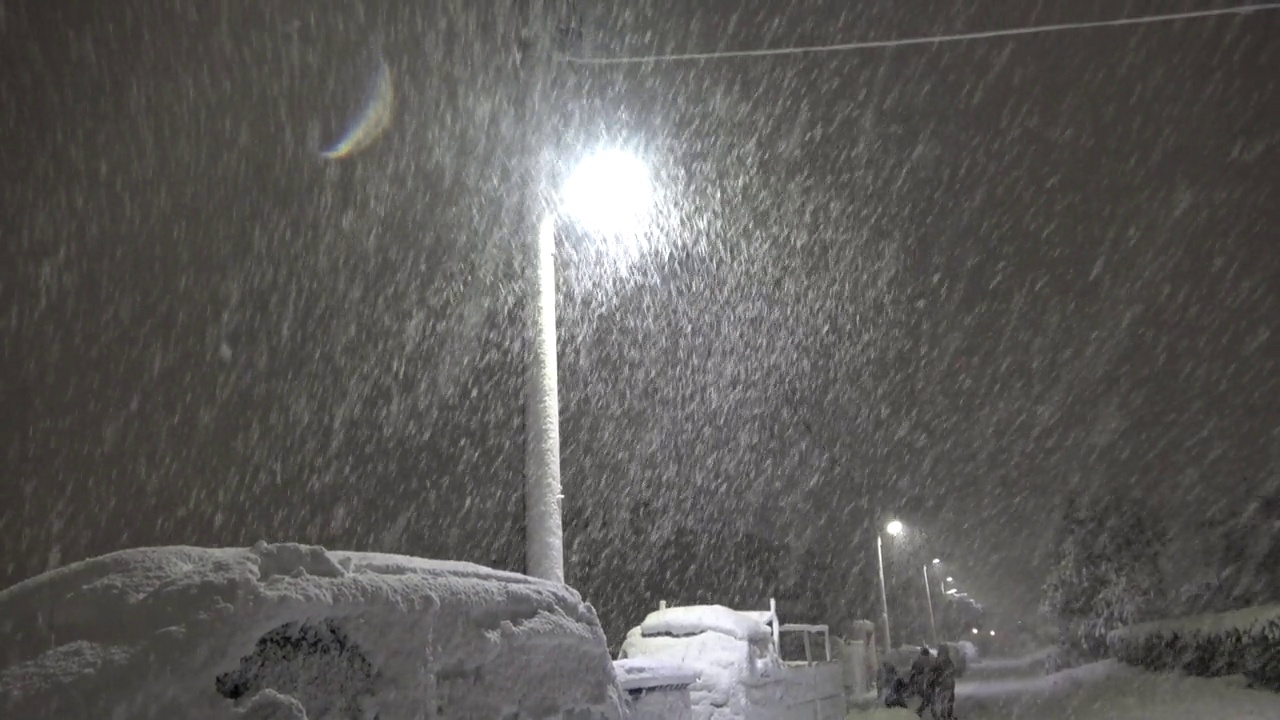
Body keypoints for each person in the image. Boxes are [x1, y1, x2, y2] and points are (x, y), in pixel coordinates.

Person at [908, 646, 936, 717]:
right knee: (929, 697)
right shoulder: (931, 660)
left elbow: (913, 671)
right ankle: (928, 710)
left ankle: (921, 710)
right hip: (929, 680)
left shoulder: (918, 661)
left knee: (927, 697)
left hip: (922, 680)